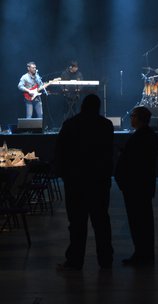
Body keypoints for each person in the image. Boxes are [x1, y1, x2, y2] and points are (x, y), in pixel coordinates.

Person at [54, 94, 114, 271]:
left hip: (76, 182)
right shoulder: (106, 125)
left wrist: (64, 175)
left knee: (77, 224)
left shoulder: (70, 124)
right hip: (99, 182)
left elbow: (60, 151)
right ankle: (105, 260)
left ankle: (75, 260)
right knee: (101, 222)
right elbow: (108, 153)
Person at [115, 106, 158, 266]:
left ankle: (142, 254)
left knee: (139, 222)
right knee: (143, 222)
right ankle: (144, 253)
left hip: (136, 186)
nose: (131, 118)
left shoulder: (140, 137)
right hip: (142, 186)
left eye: (133, 116)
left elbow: (134, 162)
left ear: (139, 118)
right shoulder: (149, 136)